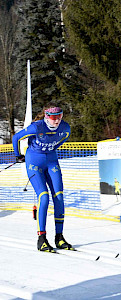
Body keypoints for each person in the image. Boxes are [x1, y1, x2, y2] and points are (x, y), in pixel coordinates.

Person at [12, 102, 73, 252]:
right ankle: (42, 238)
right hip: (34, 162)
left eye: (59, 116)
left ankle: (59, 237)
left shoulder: (65, 128)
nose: (56, 120)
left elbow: (61, 141)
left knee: (59, 196)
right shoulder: (36, 127)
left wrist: (49, 149)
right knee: (44, 197)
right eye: (53, 117)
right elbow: (16, 138)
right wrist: (17, 155)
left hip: (52, 162)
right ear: (46, 116)